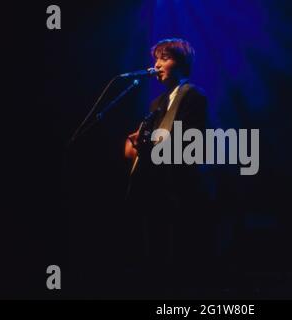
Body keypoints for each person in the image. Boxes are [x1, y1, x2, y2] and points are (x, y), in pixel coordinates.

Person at [124, 38, 213, 294]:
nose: (157, 65)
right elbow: (148, 144)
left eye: (165, 58)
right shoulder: (157, 104)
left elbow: (188, 142)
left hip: (179, 191)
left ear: (181, 63)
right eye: (156, 59)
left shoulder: (193, 96)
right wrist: (135, 144)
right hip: (155, 192)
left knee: (177, 265)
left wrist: (149, 145)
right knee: (154, 259)